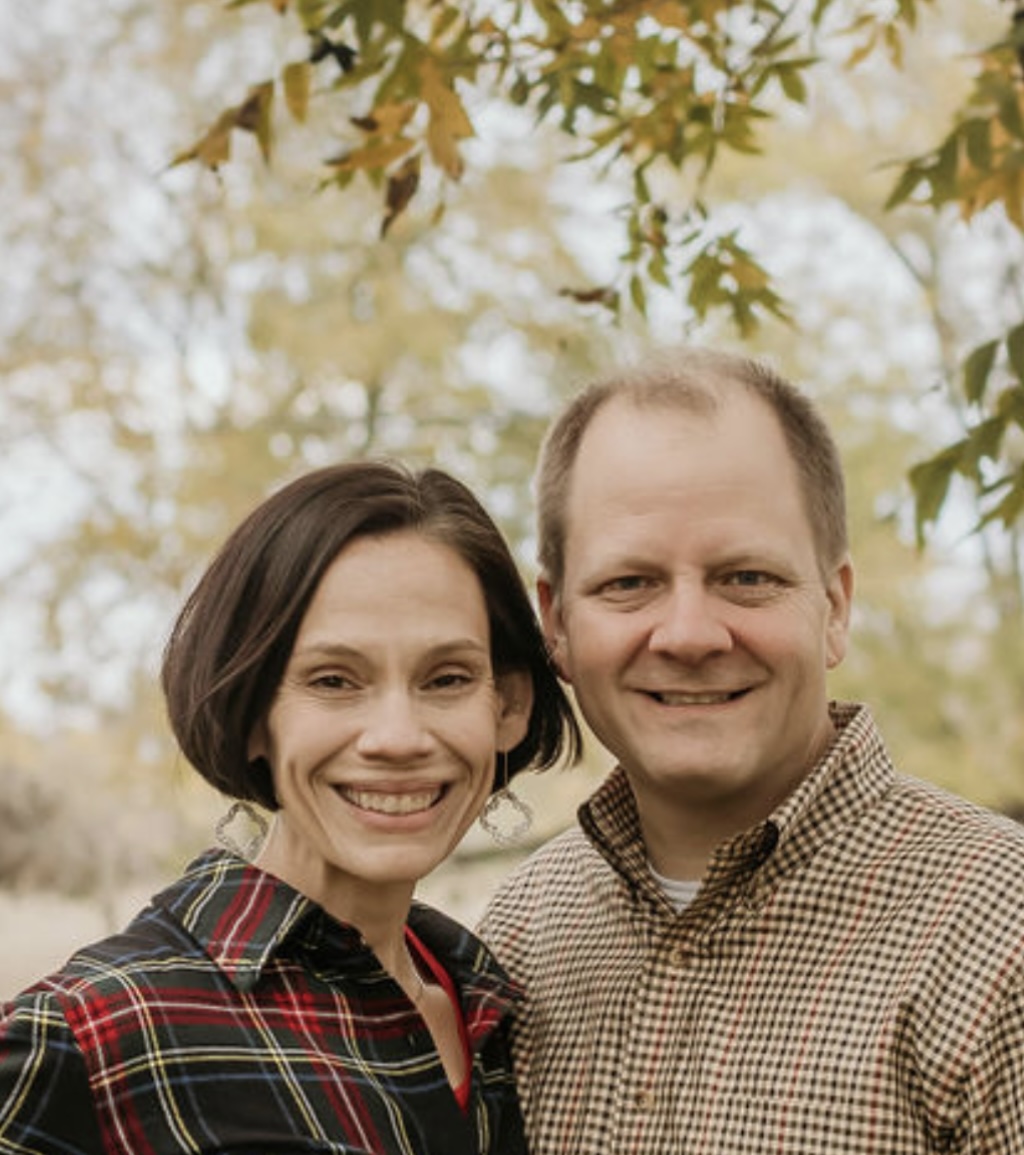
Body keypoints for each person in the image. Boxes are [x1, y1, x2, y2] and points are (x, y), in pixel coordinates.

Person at [479, 347, 1024, 1154]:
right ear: (556, 622)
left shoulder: (1000, 936)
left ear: (834, 606)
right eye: (629, 582)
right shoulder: (516, 939)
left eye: (746, 577)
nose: (690, 633)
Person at [0, 461, 579, 1154]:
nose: (397, 737)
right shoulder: (90, 1033)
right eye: (334, 680)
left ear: (507, 706)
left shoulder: (502, 1012)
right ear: (252, 715)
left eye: (447, 678)